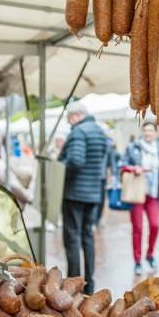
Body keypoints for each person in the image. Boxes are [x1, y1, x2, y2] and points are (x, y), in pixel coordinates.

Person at [58, 102, 108, 294]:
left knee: (72, 238)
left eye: (69, 118)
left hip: (75, 194)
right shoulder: (100, 131)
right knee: (88, 237)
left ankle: (74, 282)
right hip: (94, 193)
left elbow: (76, 161)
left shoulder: (78, 132)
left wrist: (61, 163)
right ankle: (90, 284)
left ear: (76, 115)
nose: (69, 123)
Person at [122, 122, 159, 276]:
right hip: (137, 193)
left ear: (156, 133)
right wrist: (133, 169)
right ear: (142, 132)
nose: (148, 133)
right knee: (138, 228)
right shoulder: (133, 147)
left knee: (155, 225)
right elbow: (122, 165)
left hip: (154, 193)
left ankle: (150, 254)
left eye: (151, 130)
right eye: (145, 130)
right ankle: (137, 261)